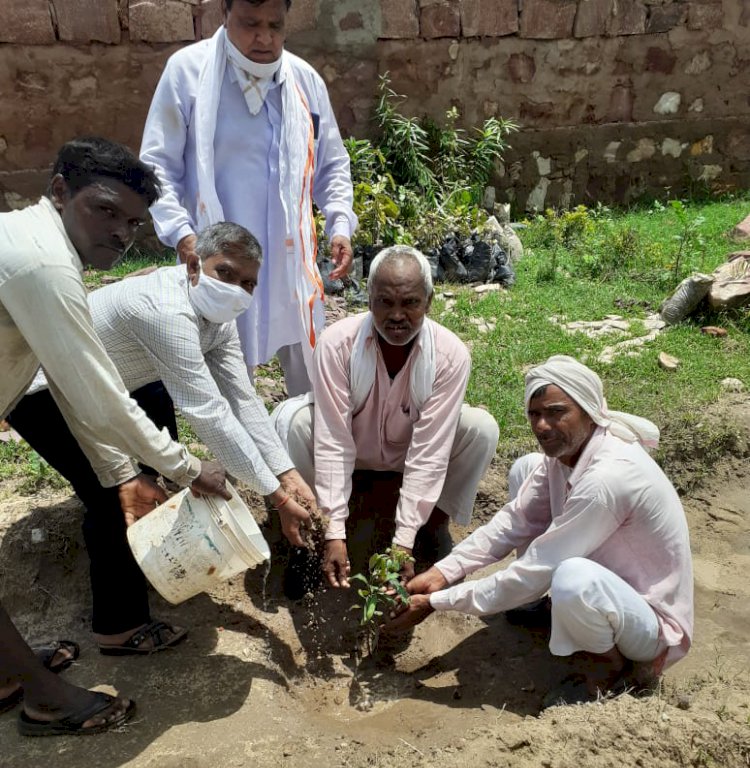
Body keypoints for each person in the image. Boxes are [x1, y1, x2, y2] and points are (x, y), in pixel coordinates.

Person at [0, 136, 229, 736]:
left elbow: (76, 387)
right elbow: (97, 394)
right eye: (105, 210)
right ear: (59, 192)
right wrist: (184, 469)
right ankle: (43, 697)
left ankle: (5, 671)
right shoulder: (43, 264)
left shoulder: (42, 249)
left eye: (133, 221)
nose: (122, 231)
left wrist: (123, 474)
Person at [9, 221, 317, 653]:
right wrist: (276, 496)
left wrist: (284, 472)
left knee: (154, 474)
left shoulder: (218, 319)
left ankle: (146, 563)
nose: (237, 289)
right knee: (115, 489)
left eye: (248, 283)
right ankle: (118, 626)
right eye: (225, 273)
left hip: (124, 382)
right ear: (194, 265)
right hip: (45, 392)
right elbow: (207, 411)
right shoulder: (163, 310)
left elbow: (242, 400)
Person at [388, 355, 694, 703]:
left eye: (557, 412)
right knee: (525, 468)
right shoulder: (566, 456)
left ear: (589, 410)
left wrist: (436, 602)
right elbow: (515, 520)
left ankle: (607, 670)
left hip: (648, 619)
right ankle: (540, 606)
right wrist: (444, 571)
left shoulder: (607, 479)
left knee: (571, 578)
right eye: (535, 414)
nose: (543, 426)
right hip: (612, 584)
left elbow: (540, 566)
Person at [140, 0, 357, 394]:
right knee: (232, 381)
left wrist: (339, 223)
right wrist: (183, 234)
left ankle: (308, 448)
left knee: (312, 381)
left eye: (275, 25)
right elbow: (157, 167)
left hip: (289, 260)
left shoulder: (303, 82)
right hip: (221, 259)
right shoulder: (189, 74)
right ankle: (241, 454)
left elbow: (332, 164)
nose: (265, 38)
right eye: (250, 24)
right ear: (224, 13)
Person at [273, 246, 500, 589]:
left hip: (408, 452)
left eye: (410, 303)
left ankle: (433, 525)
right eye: (385, 302)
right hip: (353, 445)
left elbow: (430, 450)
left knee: (480, 429)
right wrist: (336, 531)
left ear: (429, 301)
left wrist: (404, 540)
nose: (397, 315)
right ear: (369, 300)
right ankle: (310, 538)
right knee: (295, 423)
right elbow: (333, 437)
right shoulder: (338, 345)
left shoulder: (450, 355)